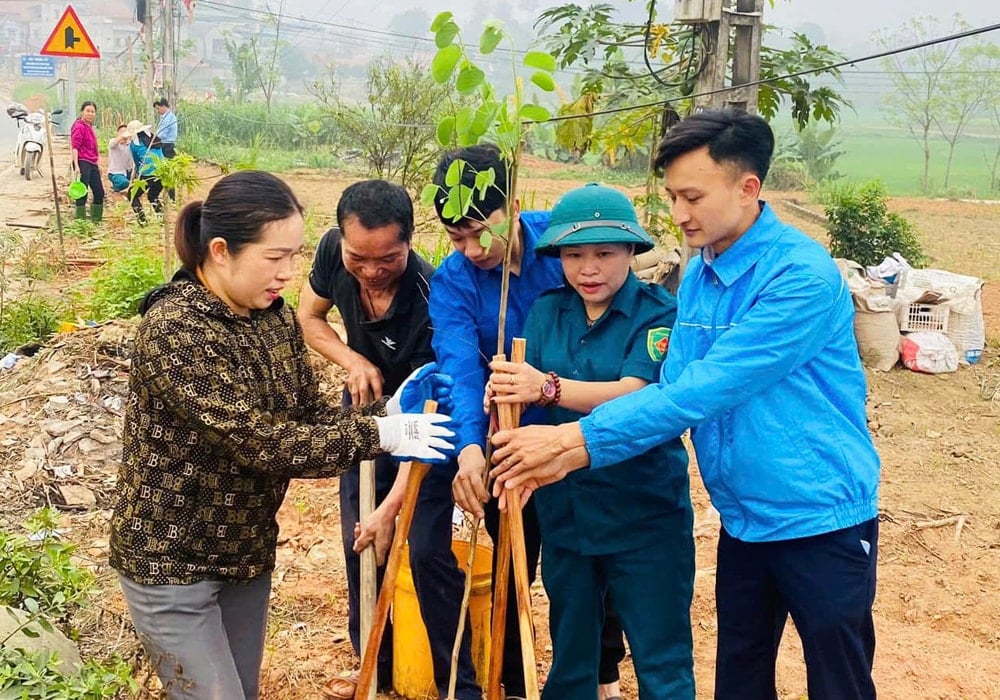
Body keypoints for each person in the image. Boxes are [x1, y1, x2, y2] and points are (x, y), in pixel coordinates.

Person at [490, 109, 881, 700]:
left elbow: (701, 391)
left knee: (837, 680)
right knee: (741, 678)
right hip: (744, 520)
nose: (677, 214)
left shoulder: (799, 278)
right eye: (672, 196)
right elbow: (674, 381)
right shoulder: (700, 272)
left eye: (691, 196)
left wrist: (573, 443)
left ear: (747, 188)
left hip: (817, 517)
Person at [108, 170, 458, 700]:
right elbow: (263, 441)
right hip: (172, 561)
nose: (290, 274)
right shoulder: (176, 330)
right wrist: (383, 434)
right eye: (276, 259)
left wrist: (392, 409)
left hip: (244, 553)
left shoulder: (271, 319)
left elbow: (308, 412)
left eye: (296, 256)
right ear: (222, 251)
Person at [429, 144, 627, 700]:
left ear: (511, 204)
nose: (469, 249)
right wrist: (473, 448)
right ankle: (514, 680)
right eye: (454, 239)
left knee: (593, 556)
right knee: (515, 558)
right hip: (509, 440)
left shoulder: (564, 247)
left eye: (477, 231)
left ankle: (601, 668)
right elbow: (460, 367)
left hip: (580, 431)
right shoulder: (453, 283)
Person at [487, 183, 695, 699]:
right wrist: (507, 408)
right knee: (572, 656)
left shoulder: (657, 313)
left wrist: (549, 386)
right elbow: (522, 399)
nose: (589, 268)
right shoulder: (545, 312)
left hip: (643, 514)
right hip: (568, 513)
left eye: (604, 253)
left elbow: (637, 395)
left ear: (631, 251)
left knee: (661, 659)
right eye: (574, 255)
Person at [297, 179, 481, 700]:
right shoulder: (335, 252)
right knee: (363, 541)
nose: (372, 270)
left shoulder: (430, 295)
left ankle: (457, 685)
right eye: (361, 257)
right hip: (365, 420)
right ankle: (376, 668)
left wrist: (393, 505)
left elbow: (427, 420)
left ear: (409, 242)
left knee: (426, 549)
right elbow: (309, 316)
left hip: (430, 421)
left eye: (388, 259)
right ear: (341, 238)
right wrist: (353, 360)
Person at [124, 119, 165, 224]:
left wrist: (138, 177)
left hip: (148, 174)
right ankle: (161, 218)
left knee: (132, 195)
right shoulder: (155, 139)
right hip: (162, 173)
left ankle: (143, 221)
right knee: (153, 196)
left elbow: (137, 163)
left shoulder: (134, 145)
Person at [70, 100, 104, 223]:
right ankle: (81, 222)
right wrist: (76, 165)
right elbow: (75, 147)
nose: (90, 114)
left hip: (92, 162)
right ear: (82, 112)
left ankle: (96, 221)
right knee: (82, 192)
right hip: (82, 161)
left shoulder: (89, 127)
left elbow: (93, 148)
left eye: (93, 111)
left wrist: (97, 164)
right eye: (88, 111)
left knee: (99, 192)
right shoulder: (79, 126)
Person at [154, 97, 178, 199]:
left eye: (158, 108)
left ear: (163, 106)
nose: (158, 111)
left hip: (167, 146)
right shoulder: (166, 117)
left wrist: (153, 139)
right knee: (164, 171)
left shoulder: (168, 118)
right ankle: (168, 196)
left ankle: (171, 197)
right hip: (165, 145)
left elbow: (162, 134)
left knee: (167, 172)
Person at [107, 123, 132, 194]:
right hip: (115, 172)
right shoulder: (113, 142)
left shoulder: (130, 144)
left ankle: (120, 185)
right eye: (122, 132)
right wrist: (122, 136)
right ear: (118, 133)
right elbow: (113, 144)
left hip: (128, 171)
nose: (125, 134)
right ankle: (116, 187)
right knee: (125, 183)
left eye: (126, 131)